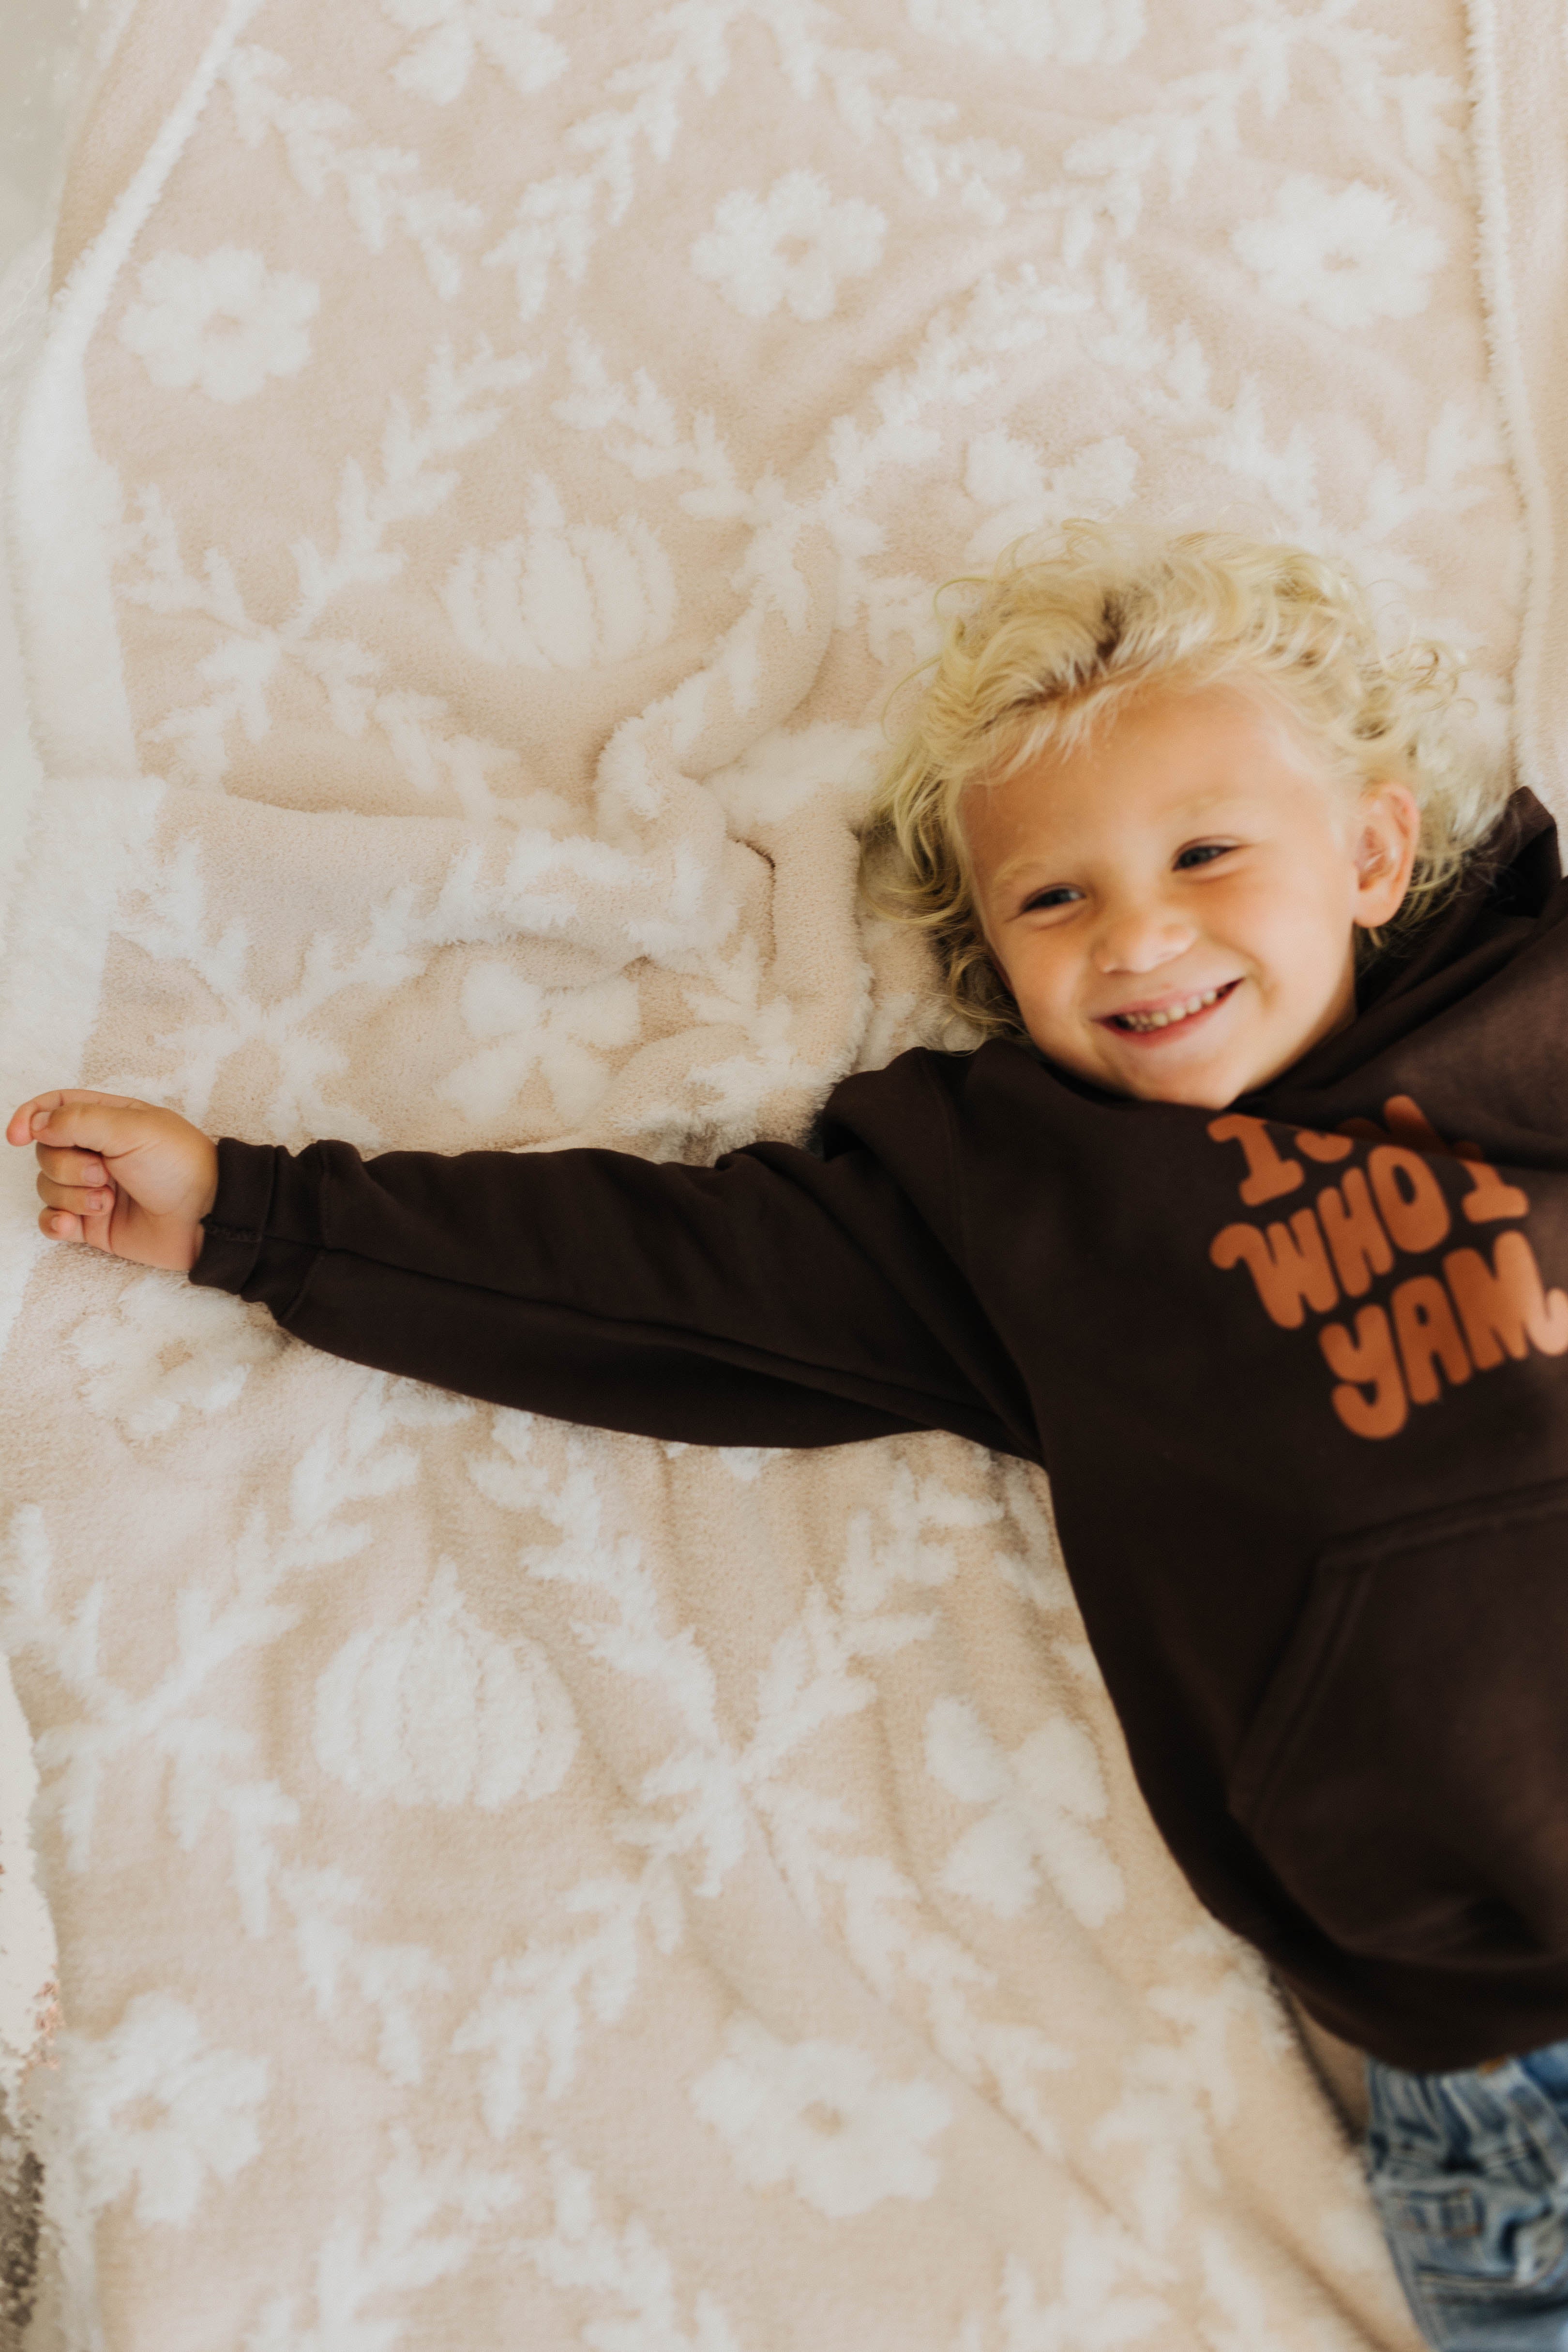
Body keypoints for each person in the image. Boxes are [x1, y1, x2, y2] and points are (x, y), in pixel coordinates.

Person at [10, 524, 1568, 2348]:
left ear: (1372, 849)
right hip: (1496, 2072)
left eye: (1206, 853)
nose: (1139, 933)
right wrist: (254, 1213)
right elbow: (655, 1275)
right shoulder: (1026, 1200)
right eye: (1050, 900)